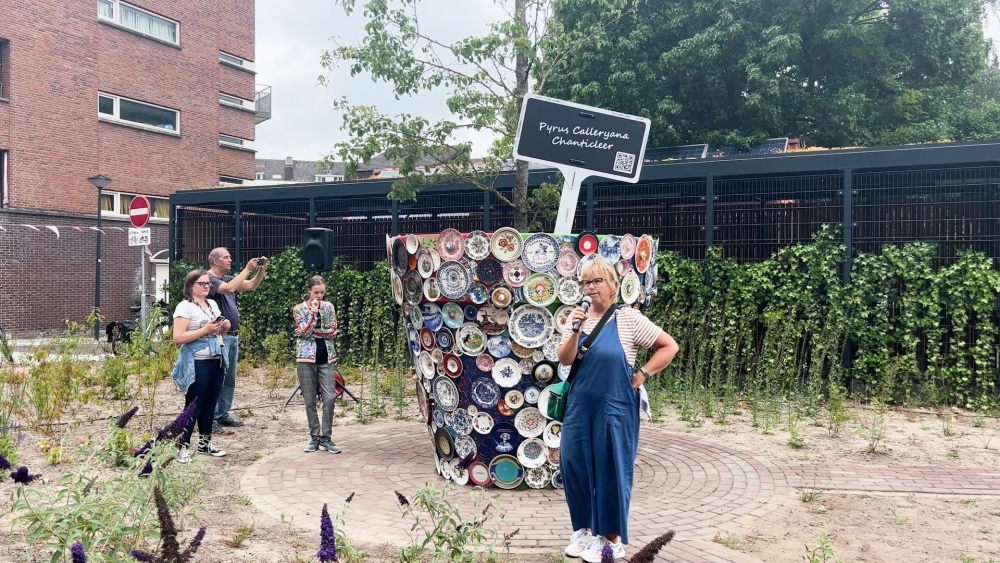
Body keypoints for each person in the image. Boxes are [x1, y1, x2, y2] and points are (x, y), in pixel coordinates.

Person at [556, 256, 679, 562]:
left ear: (612, 285)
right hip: (579, 407)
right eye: (586, 281)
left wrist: (642, 375)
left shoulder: (627, 319)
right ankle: (584, 533)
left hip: (615, 408)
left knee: (611, 470)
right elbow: (565, 359)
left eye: (597, 280)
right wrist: (574, 330)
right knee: (574, 467)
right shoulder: (577, 317)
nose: (591, 287)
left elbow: (669, 346)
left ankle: (611, 542)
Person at [170, 270, 231, 463]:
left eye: (208, 283)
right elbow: (178, 338)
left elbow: (217, 332)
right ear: (190, 286)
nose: (207, 286)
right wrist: (205, 329)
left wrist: (224, 328)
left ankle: (205, 443)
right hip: (197, 361)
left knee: (210, 404)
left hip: (217, 358)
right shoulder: (185, 307)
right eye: (202, 283)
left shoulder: (212, 304)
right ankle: (182, 446)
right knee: (193, 405)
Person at [207, 248, 268, 431]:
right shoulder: (209, 279)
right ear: (215, 261)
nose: (230, 260)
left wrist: (261, 269)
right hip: (219, 337)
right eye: (226, 257)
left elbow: (250, 285)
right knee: (217, 377)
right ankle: (211, 418)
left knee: (229, 378)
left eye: (230, 257)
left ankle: (223, 414)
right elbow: (229, 289)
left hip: (233, 336)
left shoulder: (227, 278)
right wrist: (248, 268)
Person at [292, 276, 341, 454]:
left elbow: (333, 331)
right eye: (316, 292)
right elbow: (303, 331)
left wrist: (309, 332)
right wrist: (312, 314)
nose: (319, 296)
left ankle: (326, 437)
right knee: (310, 399)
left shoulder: (329, 307)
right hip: (306, 357)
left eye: (322, 292)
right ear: (309, 291)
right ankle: (315, 437)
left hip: (327, 356)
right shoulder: (299, 309)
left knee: (329, 397)